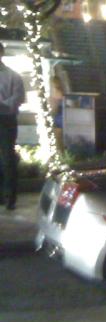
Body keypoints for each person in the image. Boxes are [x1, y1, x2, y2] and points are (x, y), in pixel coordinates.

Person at [0, 42, 26, 210]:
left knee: (8, 158)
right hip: (6, 117)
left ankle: (10, 196)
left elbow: (18, 98)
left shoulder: (13, 76)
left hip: (6, 121)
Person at [50, 76, 65, 150]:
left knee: (58, 137)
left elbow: (55, 107)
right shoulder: (61, 91)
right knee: (59, 137)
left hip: (58, 116)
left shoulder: (57, 92)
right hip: (60, 116)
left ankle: (60, 152)